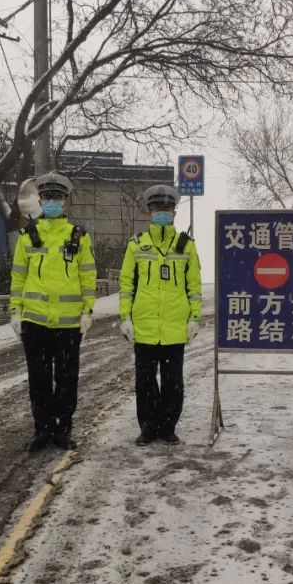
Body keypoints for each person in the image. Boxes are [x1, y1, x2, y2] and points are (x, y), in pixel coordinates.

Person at [9, 172, 96, 451]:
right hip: (34, 321)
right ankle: (42, 430)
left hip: (69, 323)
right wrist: (15, 311)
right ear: (40, 200)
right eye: (47, 198)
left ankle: (63, 430)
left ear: (65, 202)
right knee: (39, 379)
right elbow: (18, 277)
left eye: (57, 198)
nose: (52, 202)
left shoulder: (78, 236)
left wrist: (87, 311)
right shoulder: (28, 236)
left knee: (67, 380)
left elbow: (88, 277)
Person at [118, 184, 202, 446]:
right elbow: (126, 286)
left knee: (172, 381)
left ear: (174, 212)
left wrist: (194, 319)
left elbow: (194, 287)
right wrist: (125, 318)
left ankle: (168, 427)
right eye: (156, 208)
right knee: (145, 381)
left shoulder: (185, 246)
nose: (161, 213)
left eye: (166, 208)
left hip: (175, 327)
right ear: (149, 212)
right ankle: (148, 427)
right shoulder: (137, 245)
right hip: (144, 326)